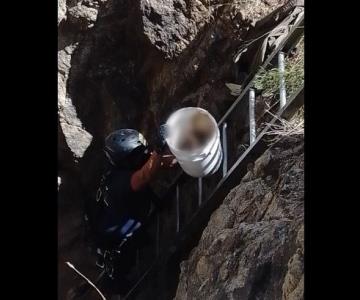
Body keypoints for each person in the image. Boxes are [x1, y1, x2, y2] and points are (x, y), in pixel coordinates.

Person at [84, 128, 176, 295]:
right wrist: (158, 150)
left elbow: (160, 163)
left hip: (133, 234)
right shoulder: (118, 183)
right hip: (121, 256)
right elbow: (143, 177)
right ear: (126, 159)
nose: (144, 156)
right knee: (138, 289)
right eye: (138, 154)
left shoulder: (131, 166)